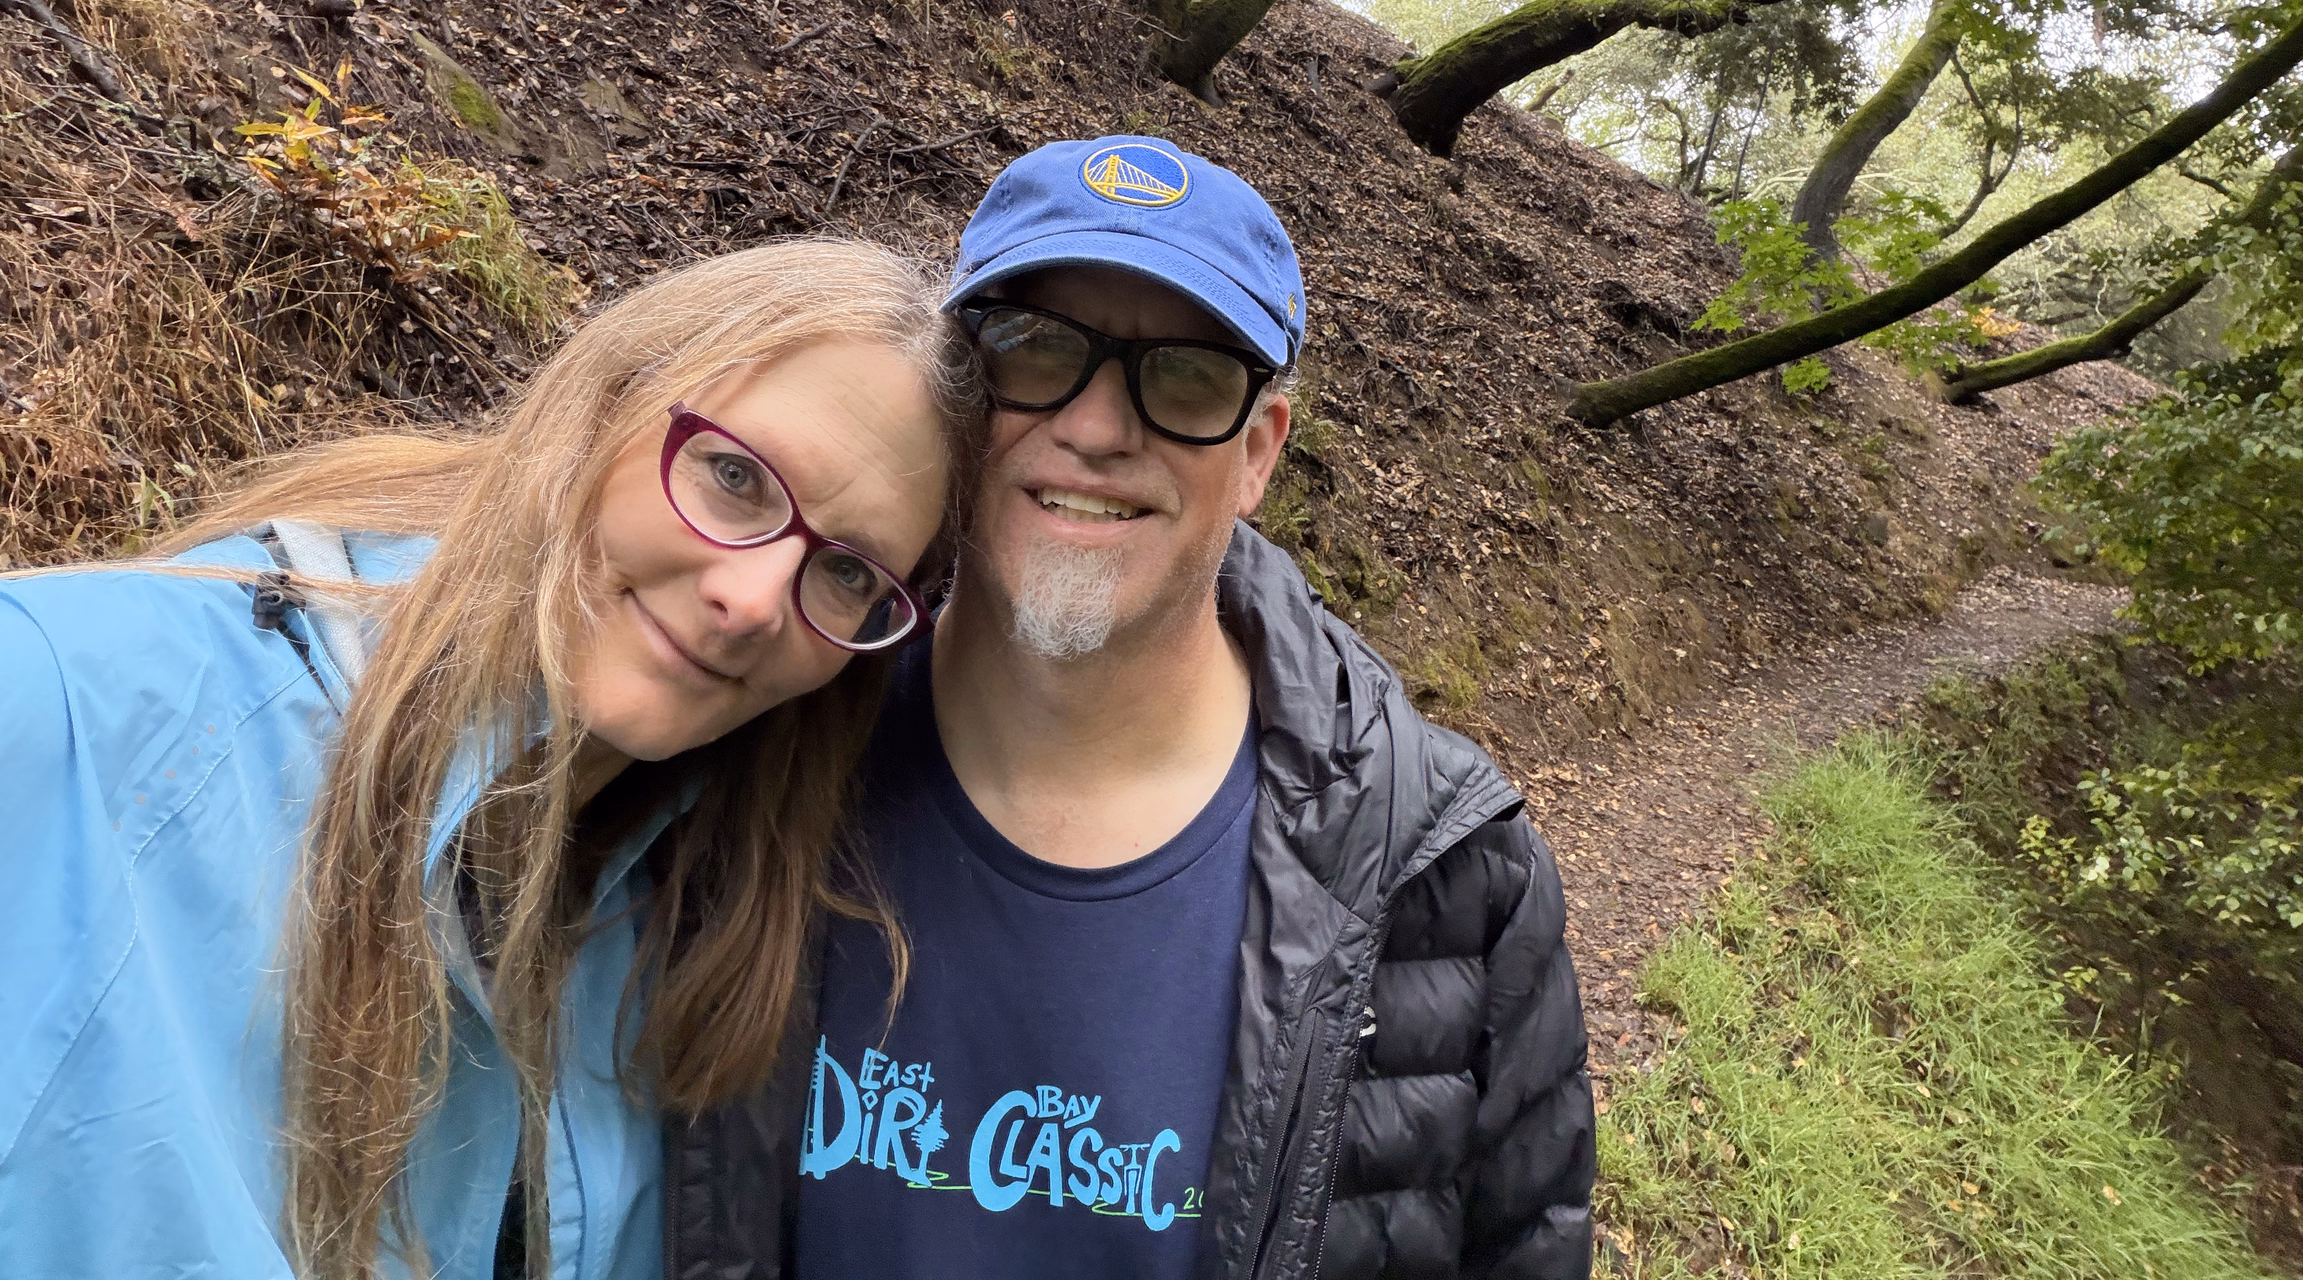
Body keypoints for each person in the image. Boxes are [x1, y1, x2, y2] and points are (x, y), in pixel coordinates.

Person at [667, 138, 1594, 1279]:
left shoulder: (1450, 882)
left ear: (1259, 454)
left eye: (1187, 375)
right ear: (958, 399)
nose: (1099, 429)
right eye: (1035, 348)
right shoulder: (763, 729)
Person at [0, 239, 983, 1280]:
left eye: (842, 571)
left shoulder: (668, 917)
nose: (749, 601)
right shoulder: (80, 703)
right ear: (604, 406)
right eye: (734, 478)